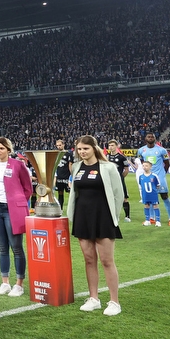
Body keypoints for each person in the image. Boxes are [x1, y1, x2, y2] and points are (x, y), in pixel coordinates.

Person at [68, 135, 124, 316]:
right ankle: (94, 298)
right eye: (79, 149)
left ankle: (114, 302)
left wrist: (112, 217)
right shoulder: (76, 167)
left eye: (86, 148)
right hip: (82, 217)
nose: (82, 152)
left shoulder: (108, 167)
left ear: (94, 148)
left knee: (107, 261)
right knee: (89, 260)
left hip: (103, 218)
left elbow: (118, 195)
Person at [0, 137, 31, 297]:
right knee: (1, 247)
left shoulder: (18, 165)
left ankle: (19, 284)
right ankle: (5, 282)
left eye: (1, 148)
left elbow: (28, 188)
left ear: (8, 150)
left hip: (11, 210)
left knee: (16, 247)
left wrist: (18, 204)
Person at [137, 133, 170, 226]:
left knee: (164, 196)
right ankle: (151, 218)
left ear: (155, 138)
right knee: (150, 198)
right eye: (148, 136)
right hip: (148, 178)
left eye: (152, 136)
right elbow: (142, 162)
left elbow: (167, 163)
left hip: (160, 177)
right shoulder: (141, 150)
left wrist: (162, 174)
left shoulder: (162, 150)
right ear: (145, 138)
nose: (150, 138)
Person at [106, 140, 131, 223]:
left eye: (112, 145)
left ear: (116, 146)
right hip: (109, 181)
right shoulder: (107, 157)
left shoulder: (122, 157)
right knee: (110, 198)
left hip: (119, 181)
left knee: (124, 198)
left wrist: (121, 177)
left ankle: (127, 216)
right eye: (109, 145)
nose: (110, 147)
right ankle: (114, 215)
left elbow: (126, 169)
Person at [139, 161, 161, 226]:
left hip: (153, 194)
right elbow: (141, 184)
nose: (144, 167)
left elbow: (158, 185)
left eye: (146, 166)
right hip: (145, 194)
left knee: (155, 206)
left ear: (150, 167)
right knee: (146, 205)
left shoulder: (154, 176)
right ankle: (147, 220)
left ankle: (158, 221)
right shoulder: (141, 176)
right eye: (143, 166)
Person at [54, 139, 74, 209]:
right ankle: (60, 209)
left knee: (70, 194)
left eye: (60, 145)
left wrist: (72, 175)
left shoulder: (68, 154)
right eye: (57, 146)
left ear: (63, 145)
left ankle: (72, 208)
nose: (58, 147)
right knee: (60, 194)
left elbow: (70, 165)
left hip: (66, 177)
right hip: (59, 177)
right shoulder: (56, 154)